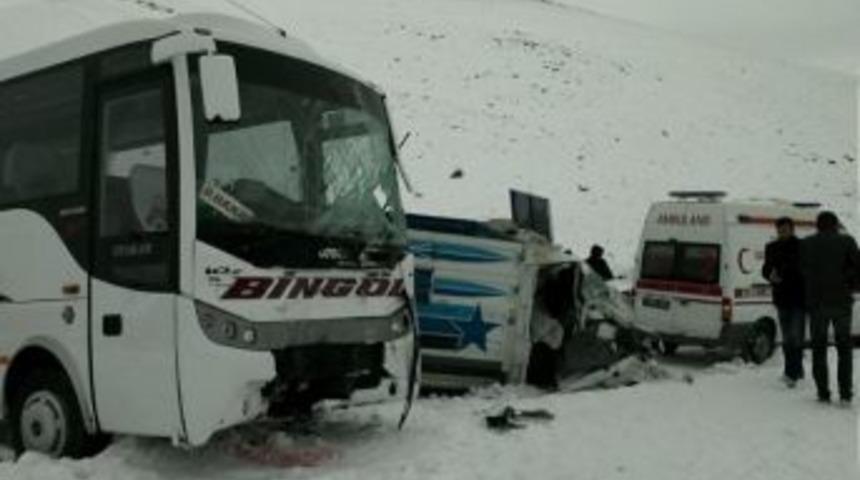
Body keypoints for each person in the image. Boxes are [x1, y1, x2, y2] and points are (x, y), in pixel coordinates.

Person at [800, 211, 859, 404]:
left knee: (819, 349)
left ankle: (823, 393)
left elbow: (801, 272)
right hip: (841, 303)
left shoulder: (806, 244)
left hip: (816, 304)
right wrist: (849, 285)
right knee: (844, 349)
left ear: (817, 225)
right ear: (835, 225)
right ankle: (845, 394)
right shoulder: (848, 241)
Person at [761, 217, 805, 387]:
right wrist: (769, 275)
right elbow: (765, 268)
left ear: (792, 229)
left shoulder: (802, 246)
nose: (782, 232)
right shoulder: (771, 247)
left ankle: (791, 373)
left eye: (785, 229)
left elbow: (804, 269)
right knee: (788, 337)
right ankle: (796, 369)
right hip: (780, 298)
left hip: (799, 298)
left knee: (795, 337)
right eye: (780, 229)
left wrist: (786, 273)